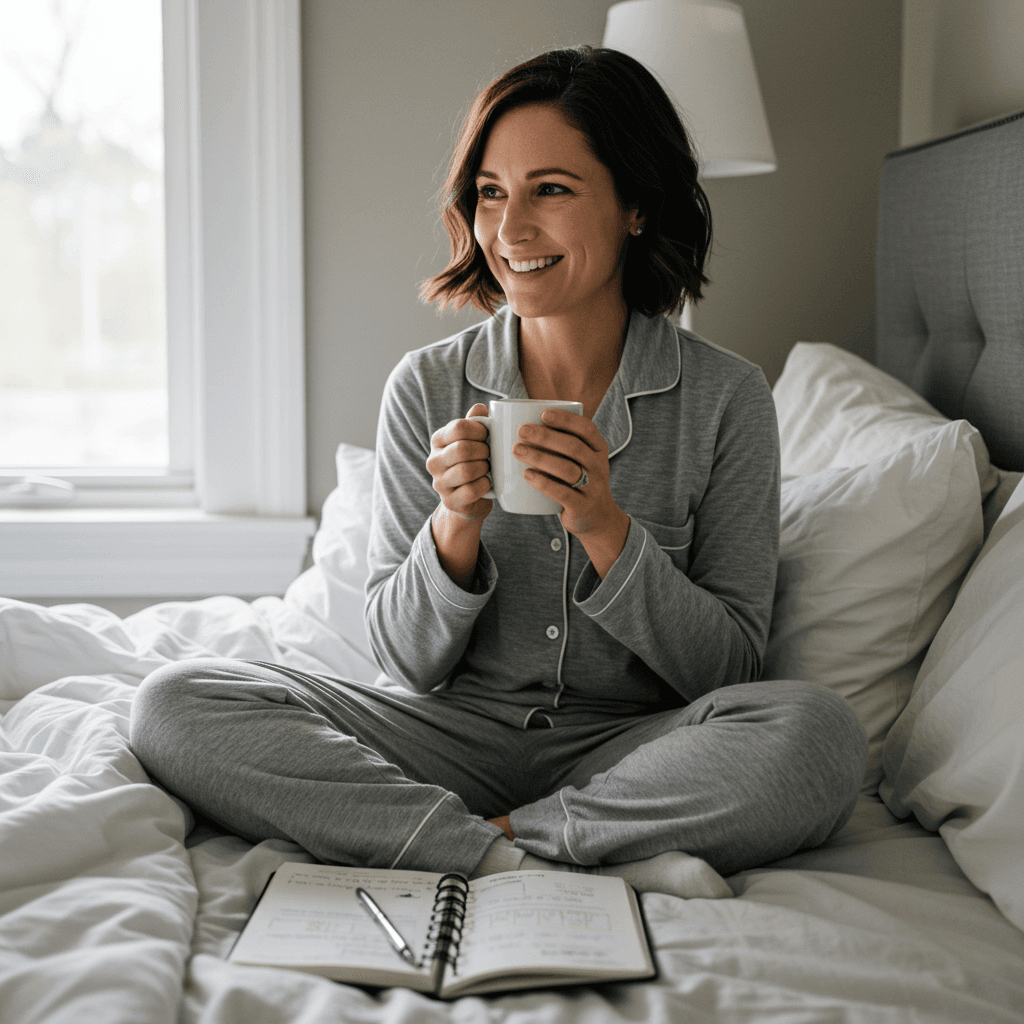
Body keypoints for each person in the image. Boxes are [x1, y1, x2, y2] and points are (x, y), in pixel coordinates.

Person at [130, 46, 866, 898]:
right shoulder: (427, 385)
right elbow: (402, 664)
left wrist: (605, 529)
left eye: (550, 189)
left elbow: (730, 672)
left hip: (634, 748)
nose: (510, 229)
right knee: (177, 699)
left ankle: (502, 837)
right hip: (447, 735)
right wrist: (454, 530)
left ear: (635, 204)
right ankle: (520, 854)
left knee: (818, 732)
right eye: (490, 192)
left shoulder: (727, 397)